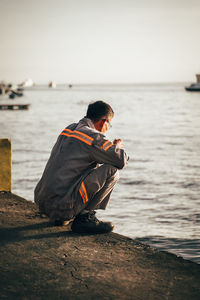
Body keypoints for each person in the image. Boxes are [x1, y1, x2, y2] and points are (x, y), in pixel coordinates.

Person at [34, 101, 129, 234]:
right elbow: (120, 160)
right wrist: (117, 147)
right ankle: (84, 219)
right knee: (112, 172)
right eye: (109, 125)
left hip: (42, 202)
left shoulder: (69, 129)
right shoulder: (93, 136)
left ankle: (62, 216)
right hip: (61, 206)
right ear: (103, 122)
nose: (108, 128)